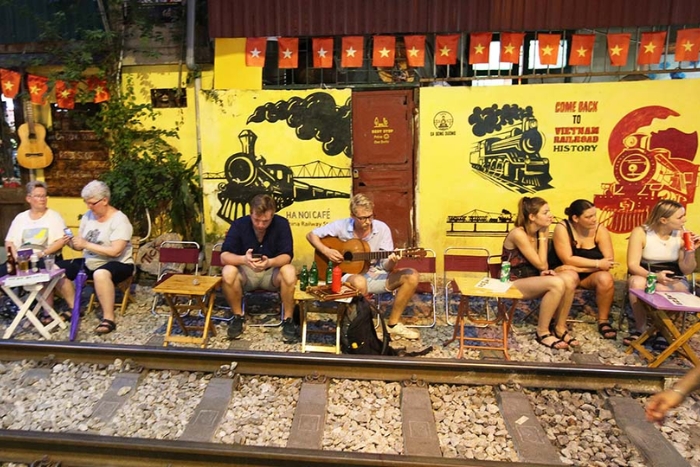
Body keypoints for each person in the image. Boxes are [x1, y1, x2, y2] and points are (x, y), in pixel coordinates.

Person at [306, 193, 420, 340]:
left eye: (370, 216)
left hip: (374, 273)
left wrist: (393, 260)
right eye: (362, 218)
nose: (367, 221)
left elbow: (386, 267)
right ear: (352, 216)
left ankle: (393, 324)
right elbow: (311, 235)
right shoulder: (341, 226)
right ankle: (364, 329)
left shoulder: (382, 229)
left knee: (412, 275)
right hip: (345, 274)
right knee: (360, 281)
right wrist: (326, 251)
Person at [501, 196, 579, 349]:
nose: (550, 215)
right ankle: (542, 332)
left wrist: (545, 270)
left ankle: (560, 327)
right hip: (513, 282)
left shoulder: (536, 233)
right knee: (556, 283)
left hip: (532, 279)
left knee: (570, 278)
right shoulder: (518, 234)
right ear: (532, 216)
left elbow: (543, 267)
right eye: (545, 212)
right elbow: (540, 263)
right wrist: (544, 236)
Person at [60, 180, 134, 335]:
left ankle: (109, 318)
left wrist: (86, 244)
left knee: (100, 274)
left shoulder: (120, 220)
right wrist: (70, 243)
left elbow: (116, 251)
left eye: (92, 203)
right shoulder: (88, 216)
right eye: (86, 203)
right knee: (57, 268)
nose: (89, 207)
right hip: (91, 260)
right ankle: (74, 307)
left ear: (105, 200)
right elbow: (81, 245)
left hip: (118, 263)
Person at [220, 194, 298, 342]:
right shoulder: (239, 224)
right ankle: (237, 316)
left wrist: (269, 262)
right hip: (246, 273)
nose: (261, 225)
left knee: (289, 271)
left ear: (272, 215)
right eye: (257, 220)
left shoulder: (281, 224)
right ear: (251, 213)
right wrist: (243, 259)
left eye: (266, 221)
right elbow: (224, 256)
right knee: (228, 271)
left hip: (271, 273)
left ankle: (288, 319)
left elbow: (287, 256)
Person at [625, 199, 699, 346]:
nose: (684, 220)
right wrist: (654, 276)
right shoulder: (642, 232)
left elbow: (687, 270)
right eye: (679, 217)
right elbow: (633, 264)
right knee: (636, 283)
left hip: (674, 277)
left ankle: (663, 330)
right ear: (663, 220)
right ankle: (641, 328)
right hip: (646, 273)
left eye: (684, 216)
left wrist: (691, 251)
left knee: (661, 288)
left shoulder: (681, 235)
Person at [2, 181, 74, 314]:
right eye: (38, 196)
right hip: (22, 259)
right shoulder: (20, 218)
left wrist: (40, 254)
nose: (42, 199)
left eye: (44, 196)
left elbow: (61, 241)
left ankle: (48, 311)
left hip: (46, 256)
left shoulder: (54, 216)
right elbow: (9, 241)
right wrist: (15, 258)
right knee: (2, 271)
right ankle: (15, 304)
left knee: (41, 268)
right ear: (29, 198)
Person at [550, 199, 617, 339]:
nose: (594, 220)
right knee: (570, 275)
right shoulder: (563, 228)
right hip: (566, 273)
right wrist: (598, 264)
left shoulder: (599, 229)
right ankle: (557, 321)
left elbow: (608, 262)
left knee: (605, 278)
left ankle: (603, 320)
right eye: (588, 217)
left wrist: (582, 269)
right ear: (575, 218)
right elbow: (567, 259)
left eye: (594, 215)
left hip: (587, 274)